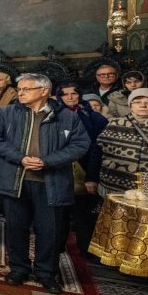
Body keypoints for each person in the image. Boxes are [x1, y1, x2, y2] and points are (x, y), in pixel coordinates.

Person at [0, 73, 90, 294]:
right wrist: (20, 158)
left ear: (44, 91)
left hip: (51, 183)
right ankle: (19, 268)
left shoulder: (66, 116)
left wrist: (47, 161)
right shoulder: (6, 113)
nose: (20, 93)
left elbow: (80, 145)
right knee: (16, 228)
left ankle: (46, 273)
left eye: (26, 89)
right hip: (15, 180)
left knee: (50, 230)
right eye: (19, 89)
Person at [57, 82, 107, 258]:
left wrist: (92, 177)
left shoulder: (94, 117)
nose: (70, 97)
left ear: (80, 95)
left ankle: (86, 249)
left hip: (86, 168)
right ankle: (58, 245)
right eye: (65, 94)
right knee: (59, 213)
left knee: (84, 213)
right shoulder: (53, 116)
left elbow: (100, 148)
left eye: (74, 93)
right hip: (60, 168)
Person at [97, 88, 148, 193]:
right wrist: (91, 179)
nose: (143, 105)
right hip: (116, 182)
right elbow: (97, 151)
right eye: (137, 102)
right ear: (130, 105)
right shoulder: (116, 124)